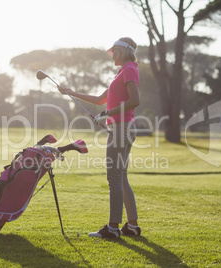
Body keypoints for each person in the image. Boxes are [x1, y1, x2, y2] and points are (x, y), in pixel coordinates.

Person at [58, 37, 141, 238]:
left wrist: (106, 114)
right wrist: (71, 93)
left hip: (121, 128)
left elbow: (135, 100)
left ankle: (112, 228)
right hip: (122, 127)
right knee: (121, 178)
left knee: (114, 178)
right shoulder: (122, 72)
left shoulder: (129, 69)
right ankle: (132, 226)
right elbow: (98, 100)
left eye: (114, 51)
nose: (111, 55)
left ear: (122, 51)